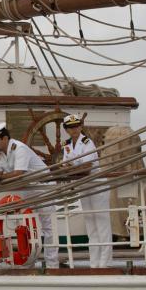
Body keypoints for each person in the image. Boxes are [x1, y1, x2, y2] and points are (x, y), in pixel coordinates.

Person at [0, 123, 58, 268]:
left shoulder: (19, 148)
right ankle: (29, 262)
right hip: (26, 189)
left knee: (48, 227)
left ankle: (52, 264)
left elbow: (18, 173)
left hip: (42, 188)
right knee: (27, 226)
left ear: (5, 139)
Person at [61, 115, 111, 268]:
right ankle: (94, 263)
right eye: (71, 127)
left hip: (96, 187)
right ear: (66, 130)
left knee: (102, 224)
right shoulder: (67, 145)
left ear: (80, 127)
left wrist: (71, 169)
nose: (74, 129)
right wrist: (71, 169)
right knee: (90, 225)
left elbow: (87, 168)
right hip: (84, 187)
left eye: (76, 126)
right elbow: (65, 166)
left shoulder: (87, 143)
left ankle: (105, 263)